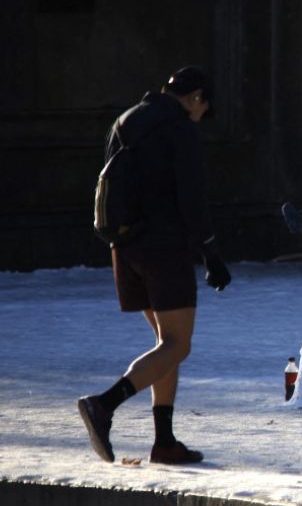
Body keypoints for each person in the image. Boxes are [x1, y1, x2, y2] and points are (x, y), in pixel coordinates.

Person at [78, 66, 231, 465]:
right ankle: (103, 405)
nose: (200, 117)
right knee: (178, 344)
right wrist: (211, 253)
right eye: (203, 109)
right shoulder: (179, 128)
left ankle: (164, 443)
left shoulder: (126, 120)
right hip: (164, 248)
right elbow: (192, 198)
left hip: (124, 246)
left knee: (167, 345)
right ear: (196, 97)